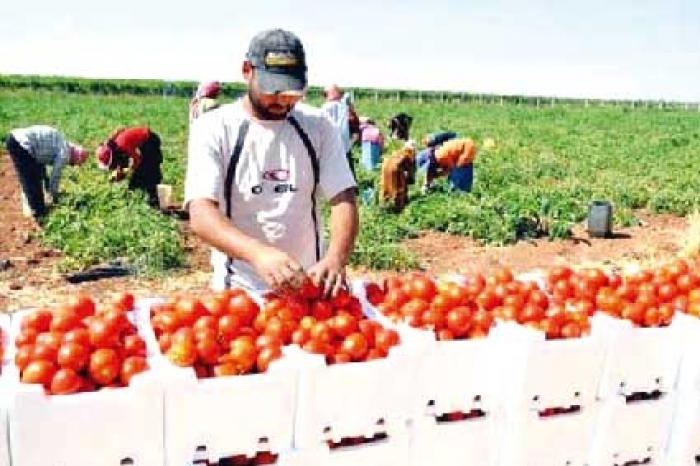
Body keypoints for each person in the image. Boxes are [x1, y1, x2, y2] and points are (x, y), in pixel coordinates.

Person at [184, 28, 359, 295]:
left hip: (308, 286)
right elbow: (201, 214)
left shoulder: (318, 126)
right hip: (240, 293)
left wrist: (335, 257)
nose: (282, 99)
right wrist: (257, 253)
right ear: (247, 71)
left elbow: (343, 197)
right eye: (272, 89)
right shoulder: (214, 128)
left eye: (291, 90)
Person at [4, 125, 88, 220]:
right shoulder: (65, 154)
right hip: (21, 144)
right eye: (75, 163)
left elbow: (43, 168)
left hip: (18, 140)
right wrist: (54, 196)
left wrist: (48, 187)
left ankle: (31, 206)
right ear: (76, 157)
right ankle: (39, 214)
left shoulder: (64, 145)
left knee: (36, 176)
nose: (73, 165)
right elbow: (55, 176)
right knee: (31, 181)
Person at [95, 126, 164, 207]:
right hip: (143, 142)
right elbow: (124, 161)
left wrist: (128, 172)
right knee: (140, 172)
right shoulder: (116, 147)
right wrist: (120, 172)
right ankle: (138, 191)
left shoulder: (122, 145)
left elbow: (137, 160)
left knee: (149, 169)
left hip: (150, 140)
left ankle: (154, 199)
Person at [321, 84, 357, 177]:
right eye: (336, 90)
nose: (339, 92)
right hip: (335, 148)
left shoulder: (342, 105)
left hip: (341, 147)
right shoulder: (328, 107)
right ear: (329, 93)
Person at [379, 140, 417, 212]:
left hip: (385, 166)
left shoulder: (399, 152)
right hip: (395, 168)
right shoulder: (410, 154)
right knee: (399, 188)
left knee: (385, 187)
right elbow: (410, 172)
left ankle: (383, 207)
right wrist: (410, 179)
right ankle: (399, 208)